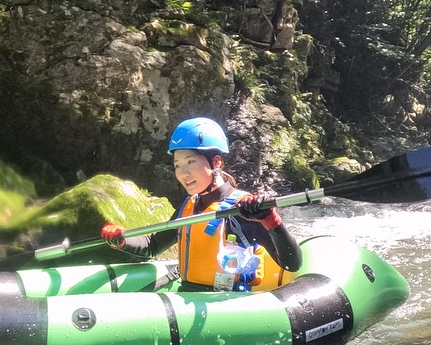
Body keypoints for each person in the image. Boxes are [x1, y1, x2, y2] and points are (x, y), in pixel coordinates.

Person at [101, 117, 302, 291]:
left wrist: (271, 221)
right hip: (188, 298)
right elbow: (153, 246)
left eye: (190, 162)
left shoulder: (244, 209)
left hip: (225, 305)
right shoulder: (189, 205)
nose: (183, 173)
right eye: (177, 166)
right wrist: (121, 239)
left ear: (216, 162)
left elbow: (292, 264)